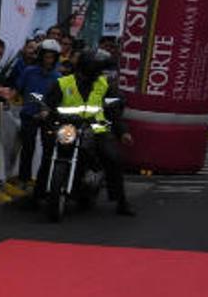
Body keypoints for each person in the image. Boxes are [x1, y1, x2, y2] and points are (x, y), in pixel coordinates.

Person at [37, 49, 135, 216]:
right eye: (98, 69)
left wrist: (123, 132)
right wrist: (44, 113)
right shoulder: (63, 82)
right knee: (49, 154)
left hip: (96, 128)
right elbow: (48, 103)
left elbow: (114, 112)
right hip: (68, 126)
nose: (100, 73)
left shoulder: (104, 84)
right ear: (88, 67)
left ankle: (121, 201)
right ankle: (38, 195)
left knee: (112, 157)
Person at [14, 39, 62, 187]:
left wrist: (47, 110)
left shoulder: (58, 77)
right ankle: (24, 179)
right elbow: (20, 89)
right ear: (40, 56)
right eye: (46, 56)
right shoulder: (29, 71)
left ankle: (42, 181)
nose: (48, 60)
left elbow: (57, 99)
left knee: (48, 149)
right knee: (28, 147)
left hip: (48, 117)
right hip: (29, 114)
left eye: (52, 57)